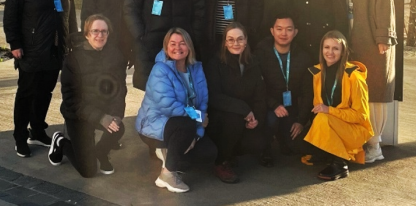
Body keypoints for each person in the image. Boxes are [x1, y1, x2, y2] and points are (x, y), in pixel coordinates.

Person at [3, 0, 77, 158]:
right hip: (31, 50)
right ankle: (19, 136)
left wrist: (72, 39)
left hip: (56, 50)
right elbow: (10, 16)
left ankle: (37, 130)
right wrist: (14, 43)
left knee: (45, 92)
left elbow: (70, 13)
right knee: (26, 94)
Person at [136, 28, 216, 193]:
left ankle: (168, 151)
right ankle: (167, 174)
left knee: (208, 153)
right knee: (185, 124)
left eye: (182, 43)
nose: (177, 47)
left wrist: (197, 135)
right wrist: (198, 118)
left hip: (185, 125)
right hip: (154, 124)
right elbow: (170, 106)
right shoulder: (160, 70)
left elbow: (203, 102)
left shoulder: (196, 68)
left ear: (189, 47)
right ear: (166, 47)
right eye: (172, 44)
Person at [47, 15, 126, 177]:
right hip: (78, 115)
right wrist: (100, 117)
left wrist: (116, 115)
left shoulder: (116, 56)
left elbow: (120, 90)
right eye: (95, 31)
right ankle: (61, 142)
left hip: (102, 111)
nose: (100, 35)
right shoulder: (73, 59)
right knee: (88, 171)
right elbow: (70, 99)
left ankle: (100, 152)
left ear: (108, 34)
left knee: (118, 128)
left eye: (104, 31)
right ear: (87, 34)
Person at [124, 0, 206, 91]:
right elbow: (130, 9)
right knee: (154, 90)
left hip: (181, 47)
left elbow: (200, 9)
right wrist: (141, 35)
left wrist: (193, 35)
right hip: (150, 46)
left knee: (181, 88)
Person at [343, 0, 397, 163]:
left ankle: (375, 145)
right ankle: (363, 140)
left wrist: (383, 38)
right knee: (359, 91)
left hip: (374, 41)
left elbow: (385, 4)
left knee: (375, 91)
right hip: (354, 40)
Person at [302, 30, 374, 181]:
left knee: (322, 118)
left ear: (343, 52)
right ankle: (327, 153)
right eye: (326, 47)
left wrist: (329, 110)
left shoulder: (354, 77)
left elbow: (361, 116)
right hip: (330, 125)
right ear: (321, 50)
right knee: (298, 144)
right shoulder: (317, 73)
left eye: (335, 48)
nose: (330, 52)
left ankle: (340, 163)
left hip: (353, 129)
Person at [205, 22, 266, 184]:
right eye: (230, 40)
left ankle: (231, 153)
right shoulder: (216, 63)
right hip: (219, 117)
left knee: (258, 143)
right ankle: (220, 162)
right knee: (233, 118)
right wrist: (245, 110)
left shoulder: (253, 63)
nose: (235, 43)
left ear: (246, 41)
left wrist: (256, 118)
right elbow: (214, 97)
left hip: (245, 118)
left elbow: (260, 96)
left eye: (240, 39)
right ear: (224, 42)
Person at [254, 11, 312, 166]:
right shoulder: (260, 54)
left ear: (295, 32)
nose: (283, 33)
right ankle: (265, 148)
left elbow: (308, 92)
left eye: (289, 29)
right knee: (272, 119)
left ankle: (283, 138)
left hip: (290, 107)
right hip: (268, 106)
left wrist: (301, 121)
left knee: (295, 145)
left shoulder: (304, 57)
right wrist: (274, 105)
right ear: (272, 31)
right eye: (279, 29)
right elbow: (256, 87)